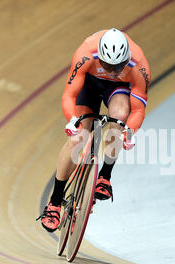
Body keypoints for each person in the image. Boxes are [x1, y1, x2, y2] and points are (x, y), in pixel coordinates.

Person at [39, 28, 151, 233]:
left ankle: (104, 176)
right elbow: (69, 96)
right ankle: (54, 203)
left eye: (118, 66)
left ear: (126, 59)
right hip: (89, 84)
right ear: (100, 56)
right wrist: (72, 120)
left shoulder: (139, 64)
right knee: (78, 139)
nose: (112, 71)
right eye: (108, 65)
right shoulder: (86, 53)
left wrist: (130, 132)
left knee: (119, 121)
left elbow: (138, 109)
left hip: (118, 90)